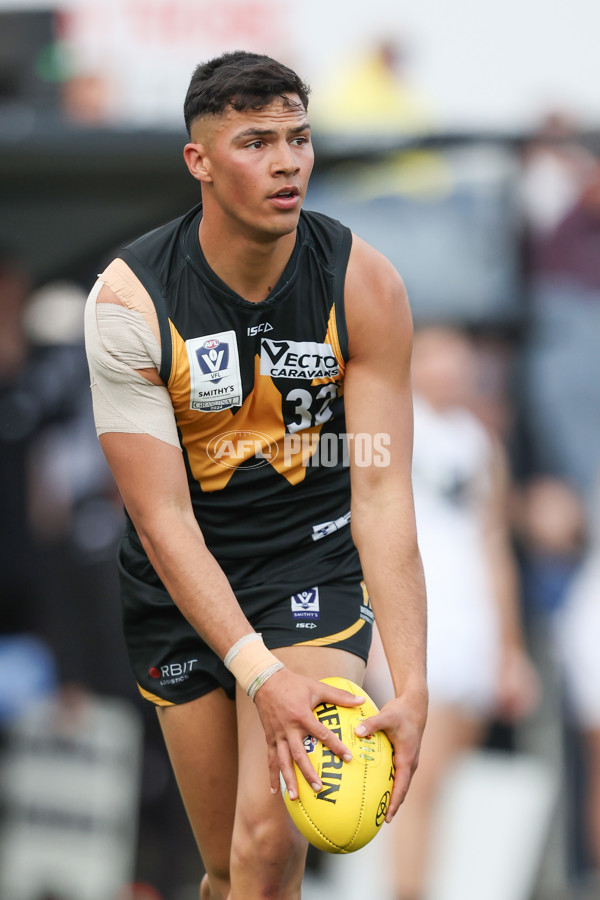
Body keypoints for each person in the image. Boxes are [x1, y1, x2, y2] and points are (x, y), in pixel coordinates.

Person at [83, 51, 427, 899]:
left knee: (273, 836)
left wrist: (415, 685)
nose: (287, 162)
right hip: (181, 584)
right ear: (198, 161)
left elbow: (379, 487)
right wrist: (257, 672)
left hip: (307, 567)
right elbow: (162, 521)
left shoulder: (364, 284)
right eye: (256, 141)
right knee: (228, 870)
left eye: (299, 138)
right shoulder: (129, 305)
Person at [366, 326, 538, 900]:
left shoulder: (481, 446)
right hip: (412, 622)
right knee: (415, 781)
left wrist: (510, 651)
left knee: (441, 787)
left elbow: (496, 551)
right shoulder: (386, 426)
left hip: (470, 627)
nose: (449, 370)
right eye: (435, 356)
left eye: (459, 360)